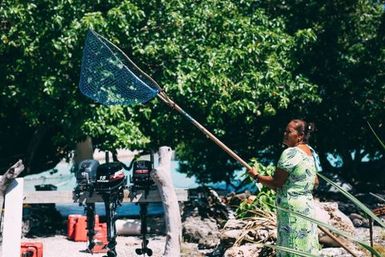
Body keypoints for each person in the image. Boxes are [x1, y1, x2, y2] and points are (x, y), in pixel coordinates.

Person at [248, 119, 321, 256]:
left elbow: (277, 182)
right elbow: (315, 181)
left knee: (291, 245)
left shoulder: (290, 153)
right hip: (307, 206)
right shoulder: (311, 152)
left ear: (300, 136)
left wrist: (256, 176)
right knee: (306, 246)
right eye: (285, 131)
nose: (285, 134)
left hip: (291, 208)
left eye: (289, 131)